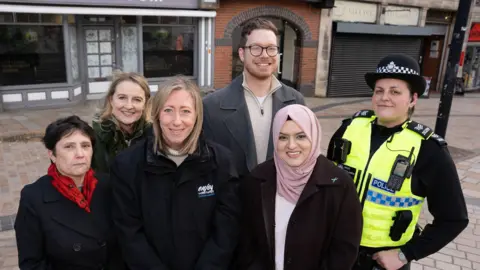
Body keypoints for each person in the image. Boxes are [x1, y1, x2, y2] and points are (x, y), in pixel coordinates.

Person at [326, 54, 469, 270]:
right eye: (379, 91)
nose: (384, 97)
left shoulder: (429, 149)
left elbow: (454, 219)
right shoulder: (349, 128)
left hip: (381, 263)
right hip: (336, 252)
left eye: (395, 91)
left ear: (412, 99)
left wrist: (405, 254)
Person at [111, 76, 240, 270]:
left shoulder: (222, 162)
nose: (177, 121)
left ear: (197, 115)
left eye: (185, 111)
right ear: (156, 114)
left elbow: (225, 230)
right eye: (168, 110)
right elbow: (129, 232)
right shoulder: (127, 164)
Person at [234, 104, 363, 270]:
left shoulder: (338, 184)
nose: (291, 145)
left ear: (314, 136)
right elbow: (246, 242)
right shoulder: (257, 179)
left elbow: (344, 250)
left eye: (301, 136)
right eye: (283, 137)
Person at [14, 115, 125, 270]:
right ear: (52, 155)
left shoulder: (109, 185)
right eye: (69, 147)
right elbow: (31, 264)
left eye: (85, 146)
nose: (80, 154)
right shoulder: (34, 198)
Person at [203, 18, 305, 179]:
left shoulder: (296, 101)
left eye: (271, 48)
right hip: (234, 201)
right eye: (256, 48)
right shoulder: (211, 106)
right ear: (242, 54)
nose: (264, 55)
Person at [92, 71, 152, 173]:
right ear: (111, 100)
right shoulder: (94, 137)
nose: (129, 106)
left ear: (145, 104)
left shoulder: (155, 134)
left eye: (137, 99)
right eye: (122, 98)